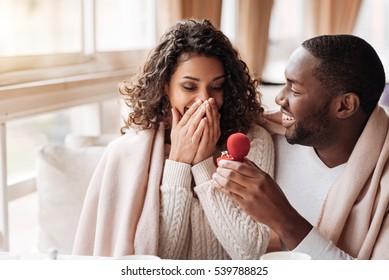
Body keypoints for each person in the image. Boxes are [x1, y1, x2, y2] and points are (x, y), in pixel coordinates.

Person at [72, 19, 274, 259]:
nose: (204, 100)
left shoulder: (253, 141)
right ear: (165, 86)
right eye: (189, 87)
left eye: (216, 87)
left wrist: (202, 164)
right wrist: (178, 162)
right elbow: (156, 261)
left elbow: (250, 253)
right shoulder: (128, 154)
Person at [213, 34, 389, 259]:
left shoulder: (383, 187)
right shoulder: (265, 142)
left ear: (345, 106)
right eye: (284, 84)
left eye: (294, 91)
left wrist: (282, 218)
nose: (278, 99)